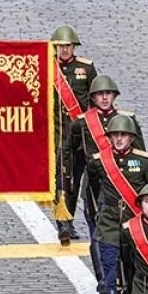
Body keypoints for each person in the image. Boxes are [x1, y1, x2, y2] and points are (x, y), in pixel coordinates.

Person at [62, 75, 145, 291]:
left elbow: (141, 152)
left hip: (122, 184)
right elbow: (69, 150)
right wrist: (67, 178)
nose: (105, 98)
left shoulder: (128, 120)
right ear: (93, 97)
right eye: (100, 94)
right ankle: (103, 276)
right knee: (98, 232)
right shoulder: (82, 122)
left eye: (108, 94)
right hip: (95, 183)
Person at [85, 114, 148, 294]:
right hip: (109, 227)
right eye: (114, 135)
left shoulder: (144, 161)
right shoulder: (99, 161)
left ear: (131, 138)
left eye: (122, 135)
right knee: (111, 277)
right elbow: (93, 189)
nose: (118, 139)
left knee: (133, 275)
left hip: (133, 228)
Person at [49, 25, 97, 243]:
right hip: (58, 136)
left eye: (67, 46)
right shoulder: (47, 67)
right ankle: (63, 223)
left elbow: (95, 100)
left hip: (80, 138)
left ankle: (70, 216)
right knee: (61, 178)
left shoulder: (85, 69)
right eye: (60, 47)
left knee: (76, 180)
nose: (64, 50)